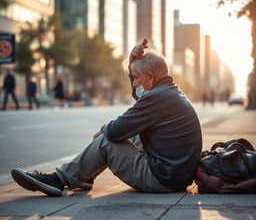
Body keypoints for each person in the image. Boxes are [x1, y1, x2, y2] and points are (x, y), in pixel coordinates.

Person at [11, 39, 202, 196]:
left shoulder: (157, 97)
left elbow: (115, 130)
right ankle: (85, 177)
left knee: (107, 140)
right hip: (175, 176)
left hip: (163, 179)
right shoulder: (168, 92)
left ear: (150, 77)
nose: (134, 84)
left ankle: (58, 180)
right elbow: (140, 101)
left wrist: (102, 132)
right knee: (122, 135)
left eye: (135, 77)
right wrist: (132, 64)